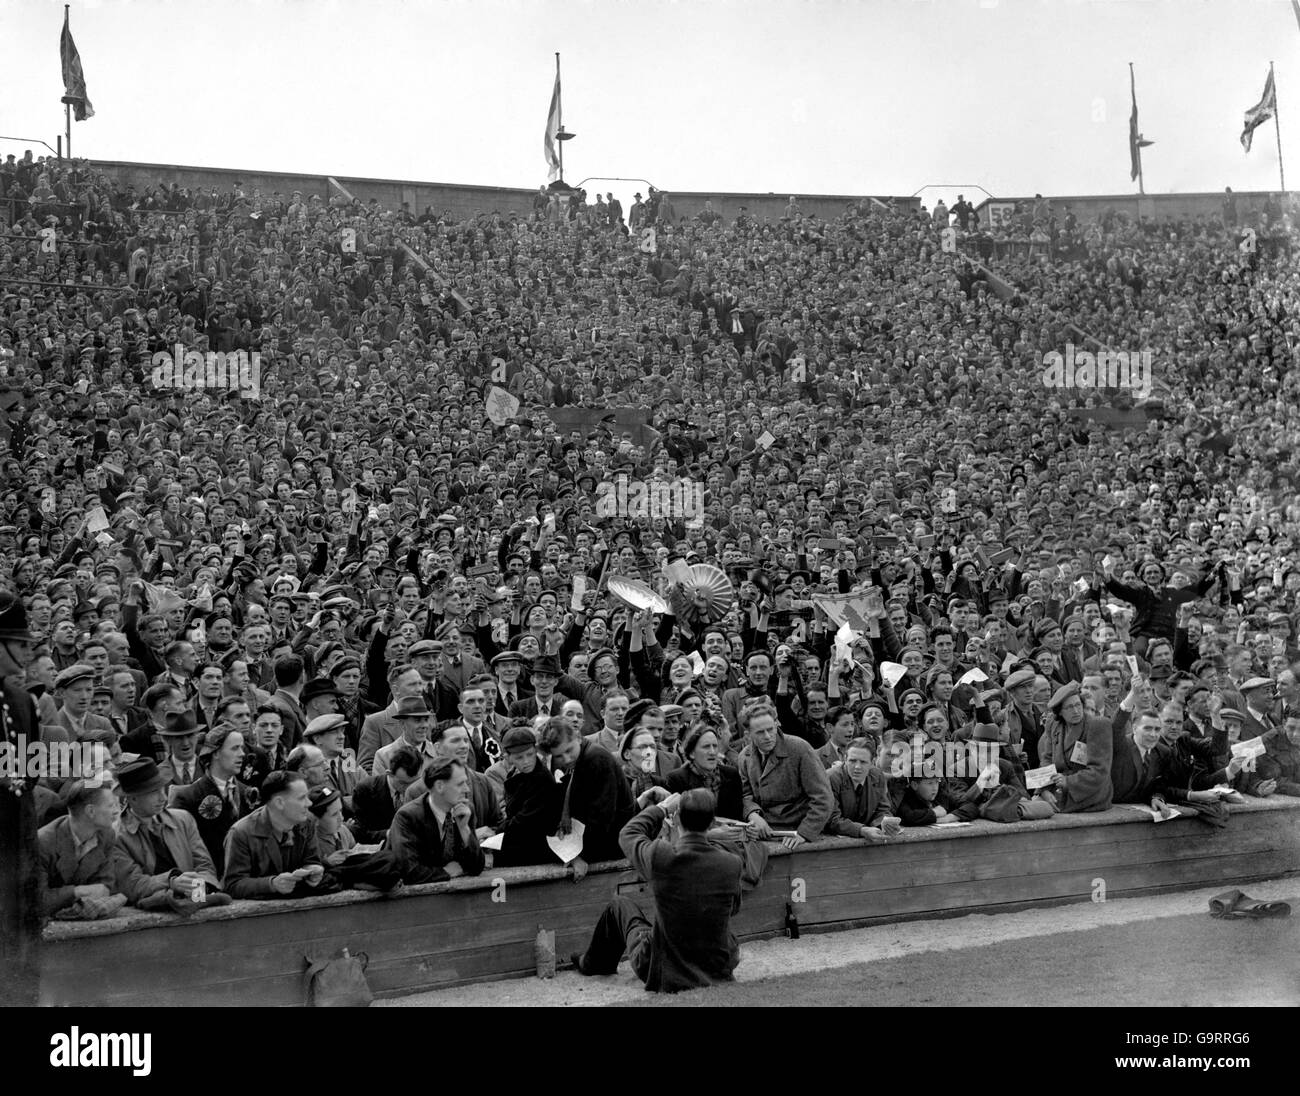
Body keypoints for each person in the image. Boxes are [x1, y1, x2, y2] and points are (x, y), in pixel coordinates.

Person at [571, 788, 744, 993]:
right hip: (716, 965)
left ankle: (590, 963)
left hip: (666, 970)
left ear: (677, 818)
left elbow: (628, 833)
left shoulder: (661, 855)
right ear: (713, 822)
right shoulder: (731, 863)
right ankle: (592, 962)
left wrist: (661, 808)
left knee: (619, 905)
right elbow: (732, 909)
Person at [111, 757, 229, 912]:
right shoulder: (115, 837)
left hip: (195, 910)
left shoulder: (183, 820)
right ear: (133, 797)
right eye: (154, 792)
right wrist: (172, 882)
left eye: (162, 789)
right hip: (152, 921)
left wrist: (196, 894)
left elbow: (205, 866)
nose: (163, 797)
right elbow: (133, 885)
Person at [0, 592, 42, 1004]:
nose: (28, 651)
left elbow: (26, 783)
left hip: (16, 853)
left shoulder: (22, 701)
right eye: (18, 643)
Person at [537, 716, 634, 880]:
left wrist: (578, 855)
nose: (566, 759)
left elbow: (602, 819)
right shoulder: (582, 757)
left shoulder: (596, 758)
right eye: (559, 756)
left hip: (612, 843)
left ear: (578, 737)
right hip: (597, 837)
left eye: (569, 750)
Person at [736, 699, 833, 848]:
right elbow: (745, 795)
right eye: (760, 732)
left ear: (777, 724)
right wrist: (752, 814)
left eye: (770, 729)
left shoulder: (799, 749)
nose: (768, 736)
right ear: (748, 734)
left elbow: (823, 797)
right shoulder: (745, 756)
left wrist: (804, 833)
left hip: (796, 829)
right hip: (764, 830)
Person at [221, 770, 327, 899]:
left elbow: (312, 859)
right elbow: (232, 885)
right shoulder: (241, 832)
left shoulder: (306, 822)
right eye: (301, 798)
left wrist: (314, 870)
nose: (309, 803)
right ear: (279, 803)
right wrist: (271, 884)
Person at [384, 757, 486, 884]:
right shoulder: (408, 816)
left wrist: (464, 830)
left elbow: (476, 867)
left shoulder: (464, 809)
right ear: (439, 786)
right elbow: (409, 871)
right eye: (460, 784)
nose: (467, 789)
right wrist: (445, 872)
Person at [170, 726, 256, 874]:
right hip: (205, 881)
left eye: (242, 748)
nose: (242, 754)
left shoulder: (248, 793)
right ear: (215, 752)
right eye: (235, 748)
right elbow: (180, 850)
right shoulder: (188, 797)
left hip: (245, 880)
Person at [36, 779, 127, 918]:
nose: (116, 811)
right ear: (90, 811)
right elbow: (35, 899)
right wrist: (76, 892)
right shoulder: (43, 842)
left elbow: (104, 885)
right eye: (111, 805)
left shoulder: (106, 835)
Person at [1038, 681, 1113, 813]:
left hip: (1088, 793)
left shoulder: (1097, 725)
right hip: (1058, 787)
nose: (1076, 711)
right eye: (1069, 707)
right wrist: (1044, 790)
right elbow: (1047, 760)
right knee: (1036, 804)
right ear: (1060, 712)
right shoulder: (1054, 725)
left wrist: (1068, 782)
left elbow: (1099, 771)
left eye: (1078, 705)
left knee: (1043, 810)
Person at [495, 726, 562, 867]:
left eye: (530, 754)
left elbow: (524, 822)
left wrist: (496, 832)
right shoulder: (517, 773)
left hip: (535, 849)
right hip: (520, 841)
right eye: (519, 757)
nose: (526, 761)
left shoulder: (542, 780)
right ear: (507, 757)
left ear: (536, 750)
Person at [665, 724, 744, 821]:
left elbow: (738, 816)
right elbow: (679, 823)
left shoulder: (731, 775)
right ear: (692, 753)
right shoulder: (676, 779)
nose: (712, 752)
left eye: (715, 746)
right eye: (706, 747)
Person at [825, 737, 898, 841]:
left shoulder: (877, 775)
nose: (857, 767)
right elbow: (832, 819)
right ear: (845, 759)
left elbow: (883, 809)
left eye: (863, 762)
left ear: (872, 762)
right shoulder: (831, 778)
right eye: (852, 761)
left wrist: (885, 823)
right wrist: (862, 830)